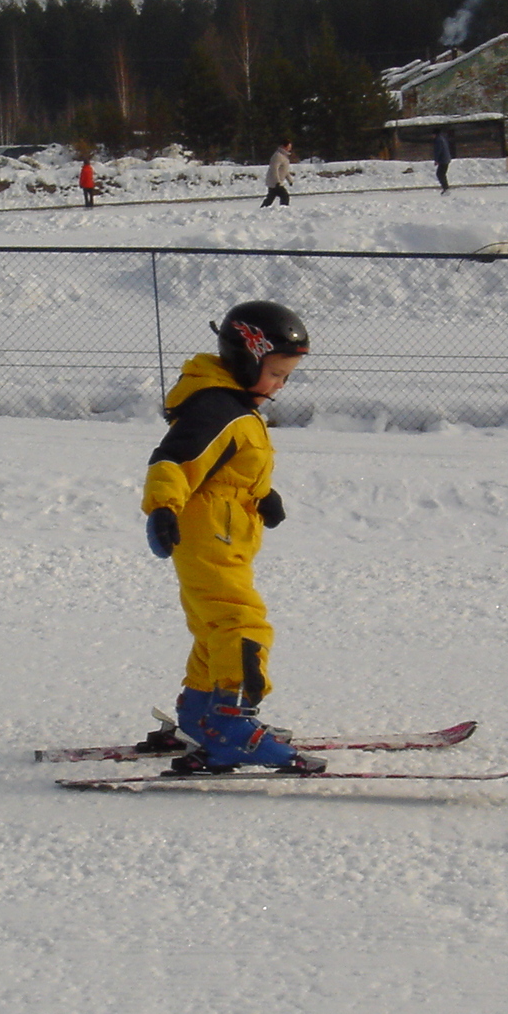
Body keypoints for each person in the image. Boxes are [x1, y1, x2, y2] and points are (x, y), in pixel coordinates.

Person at [141, 300, 325, 775]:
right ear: (247, 359)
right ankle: (232, 726)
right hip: (209, 538)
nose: (281, 384)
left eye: (287, 375)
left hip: (222, 536)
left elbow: (234, 465)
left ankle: (200, 714)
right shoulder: (217, 407)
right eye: (277, 373)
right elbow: (175, 459)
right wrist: (162, 507)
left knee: (214, 629)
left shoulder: (234, 406)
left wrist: (264, 495)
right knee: (243, 626)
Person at [260, 141, 294, 208]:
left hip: (277, 182)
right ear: (283, 146)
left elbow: (284, 170)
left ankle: (263, 209)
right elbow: (274, 169)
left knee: (270, 198)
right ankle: (283, 210)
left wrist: (290, 180)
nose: (290, 149)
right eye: (288, 147)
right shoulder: (278, 156)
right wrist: (277, 181)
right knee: (285, 196)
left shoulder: (284, 156)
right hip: (275, 182)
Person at [433, 128, 453, 193]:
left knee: (440, 174)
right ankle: (446, 188)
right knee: (441, 174)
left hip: (443, 159)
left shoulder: (438, 140)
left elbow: (438, 151)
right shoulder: (443, 138)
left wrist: (436, 160)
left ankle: (446, 188)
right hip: (446, 158)